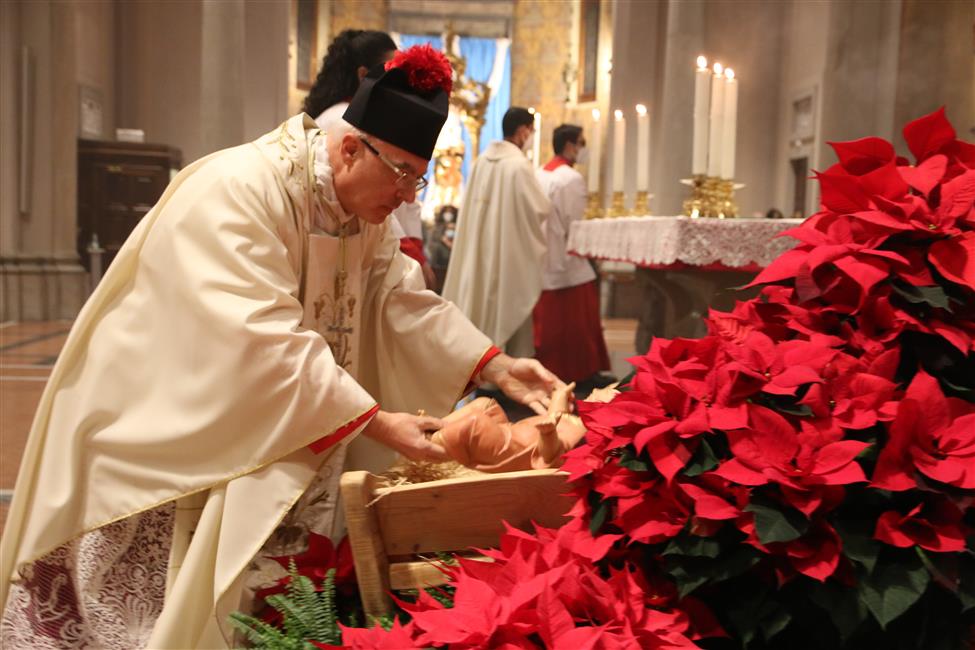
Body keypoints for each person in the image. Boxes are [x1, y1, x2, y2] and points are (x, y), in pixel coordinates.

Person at [0, 46, 562, 648]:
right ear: (351, 148)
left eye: (416, 179)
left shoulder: (363, 210)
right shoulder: (240, 189)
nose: (408, 198)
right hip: (169, 423)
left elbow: (402, 298)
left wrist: (496, 365)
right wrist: (375, 423)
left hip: (277, 414)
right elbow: (259, 336)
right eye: (402, 176)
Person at [306, 29, 436, 289]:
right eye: (393, 73)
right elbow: (376, 192)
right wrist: (410, 253)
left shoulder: (367, 120)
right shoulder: (345, 120)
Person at [442, 107, 551, 358]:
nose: (531, 136)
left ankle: (482, 366)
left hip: (479, 252)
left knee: (480, 303)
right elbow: (540, 208)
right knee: (504, 305)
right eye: (531, 131)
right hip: (506, 255)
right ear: (523, 131)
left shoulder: (481, 161)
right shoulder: (518, 166)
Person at [533, 124, 612, 384]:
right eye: (581, 143)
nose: (583, 149)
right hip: (566, 259)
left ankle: (551, 371)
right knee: (577, 320)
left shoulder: (540, 173)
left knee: (552, 323)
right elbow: (574, 225)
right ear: (569, 146)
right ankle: (581, 372)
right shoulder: (571, 178)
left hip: (543, 255)